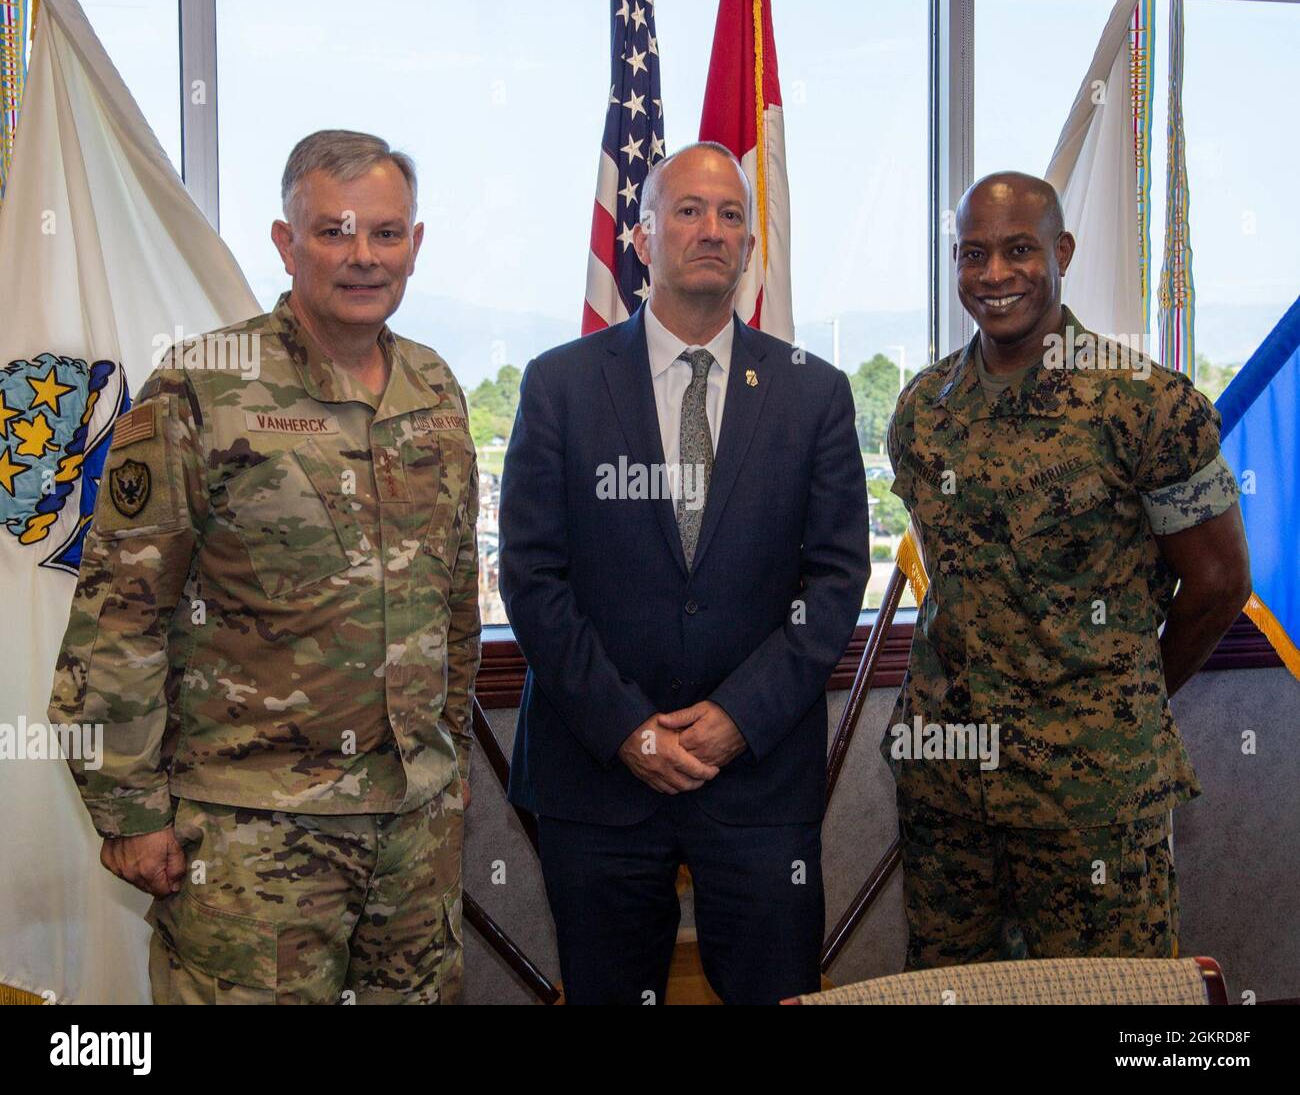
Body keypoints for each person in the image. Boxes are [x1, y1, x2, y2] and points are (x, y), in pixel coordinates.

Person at [48, 129, 480, 1004]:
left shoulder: (434, 387)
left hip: (412, 834)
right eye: (334, 232)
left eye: (386, 234)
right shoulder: (204, 387)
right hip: (250, 841)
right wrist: (131, 814)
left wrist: (454, 762)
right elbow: (120, 612)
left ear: (416, 244)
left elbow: (456, 596)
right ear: (286, 243)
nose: (364, 257)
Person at [499, 141, 871, 1005]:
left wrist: (739, 718)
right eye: (689, 211)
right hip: (598, 773)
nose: (712, 230)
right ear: (643, 236)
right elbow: (532, 577)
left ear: (749, 245)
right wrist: (629, 727)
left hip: (758, 776)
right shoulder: (558, 385)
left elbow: (835, 580)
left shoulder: (815, 393)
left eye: (731, 214)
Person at [884, 171, 1251, 968]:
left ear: (1063, 252)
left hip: (1091, 798)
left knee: (1111, 1005)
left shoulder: (1147, 405)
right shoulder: (922, 411)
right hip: (948, 786)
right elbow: (958, 583)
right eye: (973, 254)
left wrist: (1124, 697)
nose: (994, 275)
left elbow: (1221, 584)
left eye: (1020, 250)